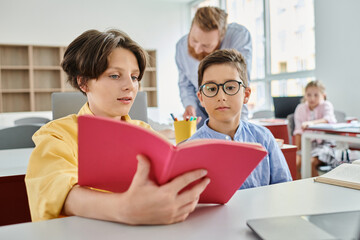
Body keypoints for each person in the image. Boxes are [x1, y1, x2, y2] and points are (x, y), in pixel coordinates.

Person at [25, 29, 210, 225]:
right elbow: (54, 190)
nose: (130, 86)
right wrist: (124, 208)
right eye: (114, 76)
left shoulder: (145, 131)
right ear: (83, 82)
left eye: (135, 77)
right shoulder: (56, 135)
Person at [188, 49, 292, 189]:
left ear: (246, 94)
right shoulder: (191, 148)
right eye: (212, 89)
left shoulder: (264, 138)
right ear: (201, 98)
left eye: (230, 87)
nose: (221, 97)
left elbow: (284, 187)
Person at [176, 6, 252, 127]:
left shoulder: (239, 36)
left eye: (206, 46)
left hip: (229, 109)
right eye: (194, 40)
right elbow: (185, 84)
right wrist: (189, 105)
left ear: (220, 39)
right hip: (200, 110)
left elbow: (240, 84)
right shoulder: (181, 47)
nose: (197, 49)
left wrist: (239, 128)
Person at [293, 80, 337, 178]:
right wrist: (297, 151)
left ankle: (315, 189)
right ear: (305, 95)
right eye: (308, 95)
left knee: (310, 163)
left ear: (323, 95)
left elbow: (328, 119)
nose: (312, 98)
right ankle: (299, 188)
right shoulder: (300, 108)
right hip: (307, 145)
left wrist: (311, 123)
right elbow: (298, 132)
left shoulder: (326, 105)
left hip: (325, 146)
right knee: (295, 163)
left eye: (316, 95)